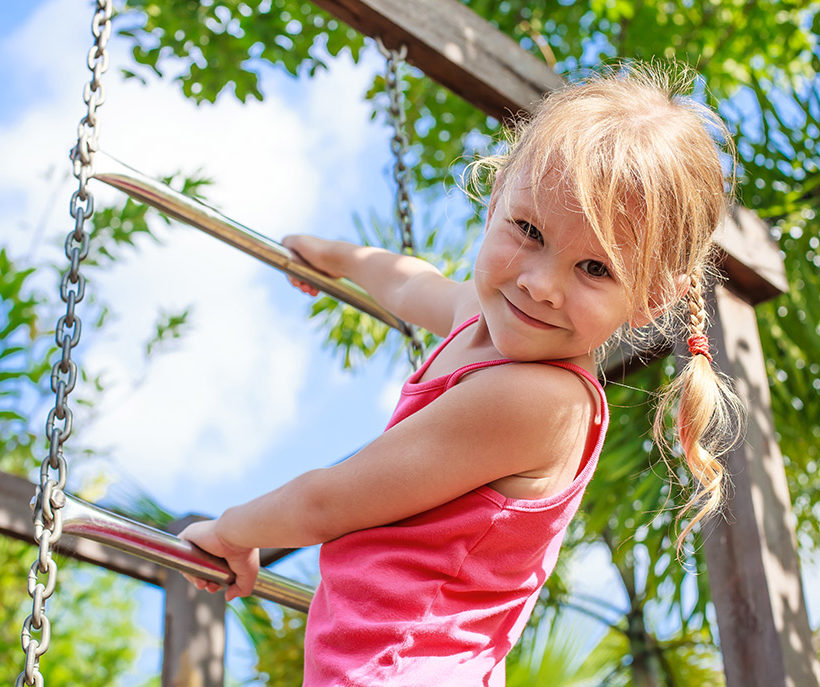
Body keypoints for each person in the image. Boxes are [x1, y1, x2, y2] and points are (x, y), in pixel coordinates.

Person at [179, 63, 742, 685]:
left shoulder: (540, 400)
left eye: (595, 269)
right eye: (528, 231)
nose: (539, 283)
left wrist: (230, 531)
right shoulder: (484, 315)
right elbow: (412, 282)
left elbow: (327, 501)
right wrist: (338, 258)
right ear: (497, 195)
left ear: (651, 297)